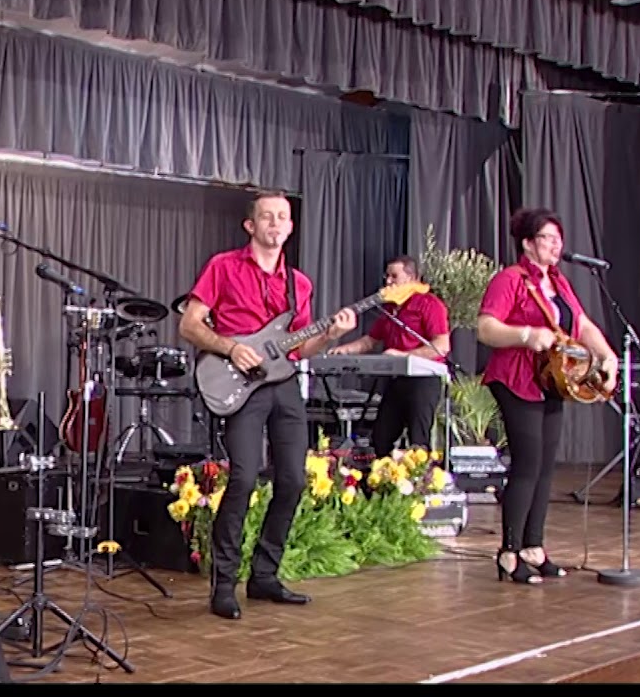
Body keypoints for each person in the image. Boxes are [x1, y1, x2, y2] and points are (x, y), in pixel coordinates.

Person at [179, 190, 356, 620]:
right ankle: (224, 584)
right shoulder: (223, 267)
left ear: (291, 227)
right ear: (251, 225)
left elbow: (303, 345)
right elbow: (189, 324)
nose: (275, 224)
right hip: (238, 384)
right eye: (267, 217)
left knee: (294, 480)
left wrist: (330, 334)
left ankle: (264, 576)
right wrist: (230, 348)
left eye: (283, 218)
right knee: (242, 478)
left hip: (284, 384)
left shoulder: (300, 283)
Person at [476, 207, 617, 585]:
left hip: (551, 379)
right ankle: (508, 550)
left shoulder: (559, 282)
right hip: (515, 377)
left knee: (545, 464)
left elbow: (582, 324)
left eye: (559, 239)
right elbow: (486, 328)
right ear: (527, 243)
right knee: (527, 462)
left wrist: (607, 356)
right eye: (547, 238)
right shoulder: (510, 279)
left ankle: (533, 546)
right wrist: (524, 335)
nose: (556, 245)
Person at [328, 255, 451, 458]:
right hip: (397, 380)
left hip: (423, 380)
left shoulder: (430, 304)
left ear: (412, 278)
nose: (388, 282)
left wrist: (403, 355)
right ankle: (383, 482)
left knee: (418, 440)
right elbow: (369, 341)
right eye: (387, 276)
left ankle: (419, 483)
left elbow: (441, 346)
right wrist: (343, 350)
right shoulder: (391, 310)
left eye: (394, 276)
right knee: (381, 437)